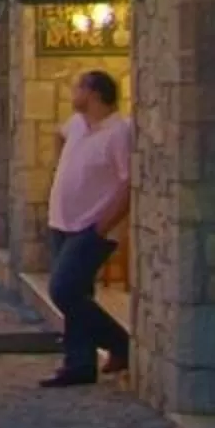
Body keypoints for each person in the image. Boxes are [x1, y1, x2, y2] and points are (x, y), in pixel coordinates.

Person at [42, 68, 134, 388]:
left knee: (62, 289)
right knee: (76, 294)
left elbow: (128, 182)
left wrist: (102, 224)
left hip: (92, 227)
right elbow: (59, 134)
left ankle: (121, 343)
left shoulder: (119, 132)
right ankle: (79, 364)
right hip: (62, 222)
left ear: (93, 93)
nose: (72, 93)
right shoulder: (78, 125)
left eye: (77, 87)